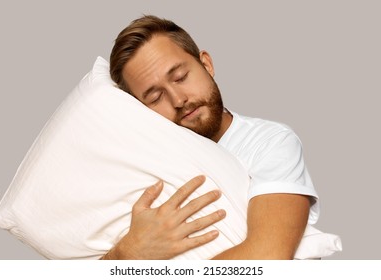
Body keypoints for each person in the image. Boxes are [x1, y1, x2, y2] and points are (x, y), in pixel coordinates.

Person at [101, 15, 319, 260]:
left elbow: (268, 257)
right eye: (155, 97)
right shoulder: (141, 171)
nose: (178, 99)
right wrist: (124, 253)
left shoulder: (269, 143)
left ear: (206, 64)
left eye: (181, 77)